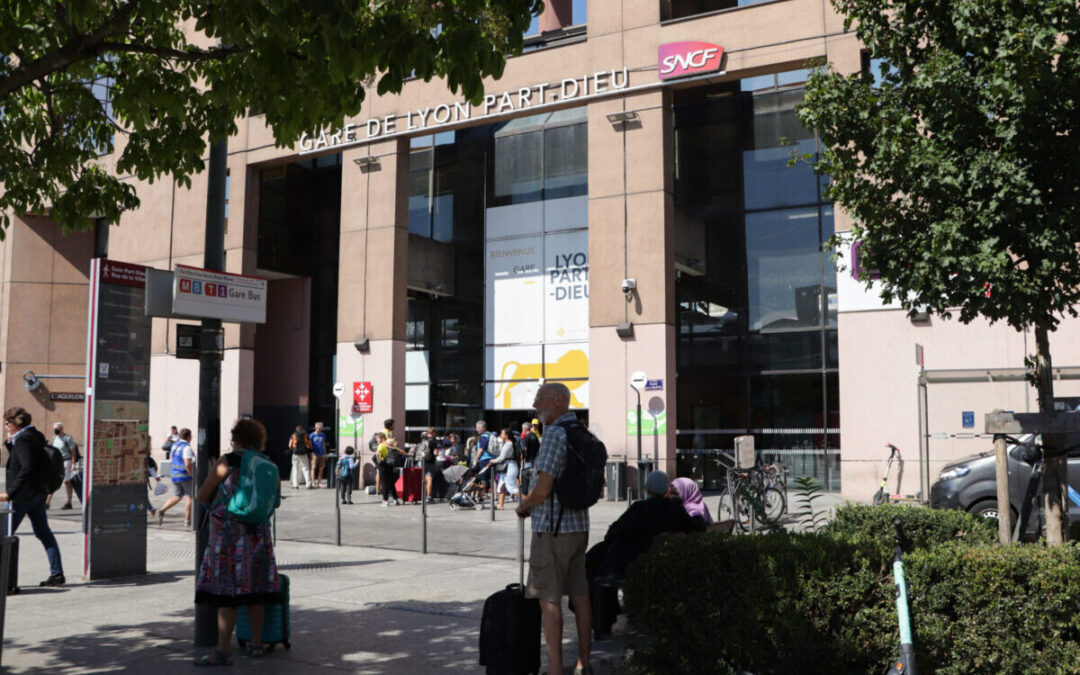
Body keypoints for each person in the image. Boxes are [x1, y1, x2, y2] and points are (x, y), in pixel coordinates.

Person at [515, 383, 592, 675]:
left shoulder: (554, 434)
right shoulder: (583, 433)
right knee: (580, 596)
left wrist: (525, 504)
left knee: (548, 598)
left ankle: (556, 669)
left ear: (558, 400)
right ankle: (584, 662)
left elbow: (543, 488)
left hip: (552, 530)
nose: (535, 404)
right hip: (579, 528)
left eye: (541, 398)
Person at [194, 418, 281, 666]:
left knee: (227, 594)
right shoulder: (268, 464)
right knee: (256, 591)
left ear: (236, 439)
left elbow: (203, 493)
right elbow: (274, 502)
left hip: (228, 537)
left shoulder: (228, 461)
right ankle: (256, 644)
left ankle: (223, 650)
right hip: (258, 536)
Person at [585, 470, 703, 640]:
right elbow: (695, 526)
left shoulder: (639, 508)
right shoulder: (674, 510)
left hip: (626, 562)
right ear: (666, 491)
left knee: (594, 564)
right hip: (645, 560)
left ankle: (602, 621)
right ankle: (607, 615)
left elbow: (614, 531)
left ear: (647, 490)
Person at [1, 407, 65, 587]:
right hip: (38, 493)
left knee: (4, 535)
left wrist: (11, 493)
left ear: (16, 424)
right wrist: (9, 444)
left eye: (7, 423)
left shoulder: (22, 440)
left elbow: (26, 467)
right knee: (44, 533)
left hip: (22, 496)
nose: (5, 426)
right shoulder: (34, 435)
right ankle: (57, 573)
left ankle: (6, 581)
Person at [158, 428, 195, 527]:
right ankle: (187, 520)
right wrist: (192, 474)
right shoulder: (187, 448)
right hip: (185, 475)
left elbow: (172, 459)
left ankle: (162, 510)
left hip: (174, 474)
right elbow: (187, 464)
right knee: (190, 496)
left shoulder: (175, 445)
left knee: (177, 496)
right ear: (188, 437)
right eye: (191, 436)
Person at [47, 421, 79, 510]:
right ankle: (47, 502)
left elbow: (73, 452)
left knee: (66, 481)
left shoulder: (67, 438)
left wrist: (73, 464)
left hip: (66, 461)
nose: (55, 430)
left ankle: (69, 502)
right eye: (54, 429)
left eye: (57, 429)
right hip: (57, 462)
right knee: (53, 481)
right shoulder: (54, 438)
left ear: (61, 429)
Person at [494, 428, 521, 510]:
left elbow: (502, 457)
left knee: (511, 487)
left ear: (507, 435)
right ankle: (500, 505)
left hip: (510, 467)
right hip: (506, 467)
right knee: (502, 485)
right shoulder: (505, 443)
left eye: (502, 434)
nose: (501, 435)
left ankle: (527, 502)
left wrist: (493, 461)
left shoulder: (508, 444)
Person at [376, 433, 405, 506]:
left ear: (382, 438)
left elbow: (377, 453)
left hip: (383, 465)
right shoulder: (390, 445)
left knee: (384, 483)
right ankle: (395, 500)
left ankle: (385, 501)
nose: (377, 440)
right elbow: (400, 451)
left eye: (378, 438)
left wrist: (379, 461)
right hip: (390, 465)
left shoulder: (381, 445)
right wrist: (408, 454)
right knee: (391, 483)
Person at [289, 424, 313, 489]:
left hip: (295, 454)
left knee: (295, 469)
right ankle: (308, 484)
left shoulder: (293, 435)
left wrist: (292, 450)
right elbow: (310, 445)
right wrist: (310, 452)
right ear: (302, 429)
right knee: (306, 469)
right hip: (304, 454)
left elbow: (290, 445)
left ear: (296, 429)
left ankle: (295, 485)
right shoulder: (306, 435)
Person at [520, 421, 540, 494]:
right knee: (534, 477)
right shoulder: (534, 435)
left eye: (522, 429)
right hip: (535, 459)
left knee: (527, 478)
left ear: (525, 429)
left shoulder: (527, 437)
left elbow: (525, 449)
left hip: (528, 460)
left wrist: (522, 457)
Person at [309, 421, 328, 488]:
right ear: (316, 428)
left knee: (321, 468)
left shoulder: (323, 435)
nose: (320, 429)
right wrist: (311, 453)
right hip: (314, 454)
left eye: (321, 428)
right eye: (318, 428)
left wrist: (325, 454)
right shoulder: (312, 435)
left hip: (321, 453)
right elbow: (310, 445)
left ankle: (319, 482)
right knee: (313, 468)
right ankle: (313, 482)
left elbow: (323, 444)